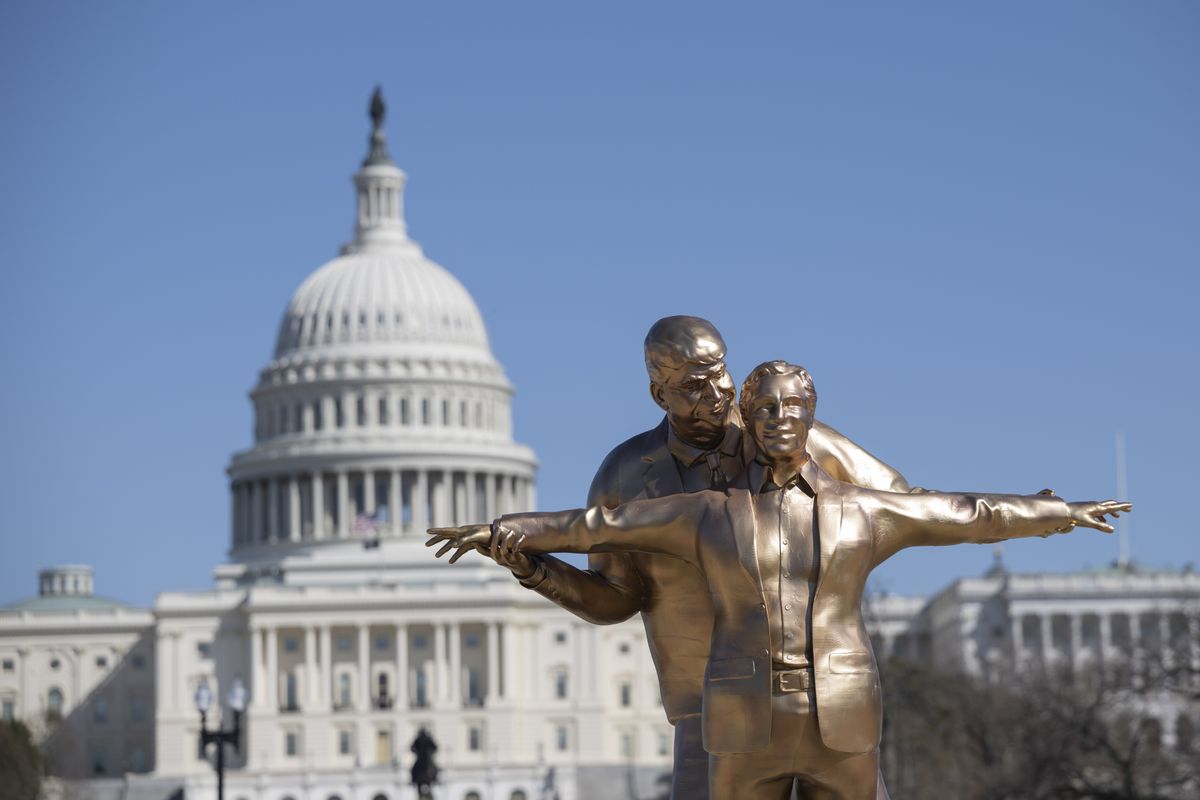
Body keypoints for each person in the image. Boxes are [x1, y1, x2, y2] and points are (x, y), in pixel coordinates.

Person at [429, 361, 1129, 800]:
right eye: (764, 410)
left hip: (842, 710)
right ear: (749, 422)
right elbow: (597, 524)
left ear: (812, 417)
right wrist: (506, 532)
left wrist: (1057, 513)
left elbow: (967, 513)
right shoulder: (708, 513)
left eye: (793, 408)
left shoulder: (864, 510)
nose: (779, 421)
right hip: (742, 715)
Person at [489, 317, 907, 799]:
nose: (716, 394)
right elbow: (615, 598)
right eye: (692, 385)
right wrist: (535, 570)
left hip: (820, 699)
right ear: (659, 395)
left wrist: (834, 571)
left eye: (720, 372)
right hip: (706, 706)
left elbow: (894, 504)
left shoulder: (790, 436)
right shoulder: (626, 475)